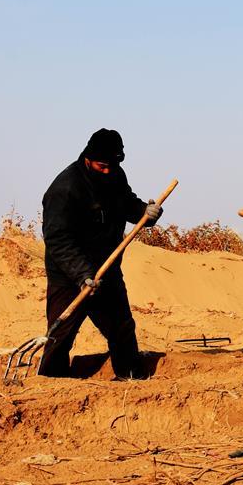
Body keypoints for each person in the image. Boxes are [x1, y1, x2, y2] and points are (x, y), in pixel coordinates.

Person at [38, 128, 163, 379]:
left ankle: (129, 376)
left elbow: (126, 203)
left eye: (111, 165)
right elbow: (57, 239)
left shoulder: (115, 174)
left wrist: (144, 213)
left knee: (121, 328)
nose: (107, 171)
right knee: (61, 333)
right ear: (88, 158)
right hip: (70, 273)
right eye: (101, 166)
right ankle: (50, 382)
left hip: (107, 266)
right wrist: (82, 274)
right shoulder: (65, 188)